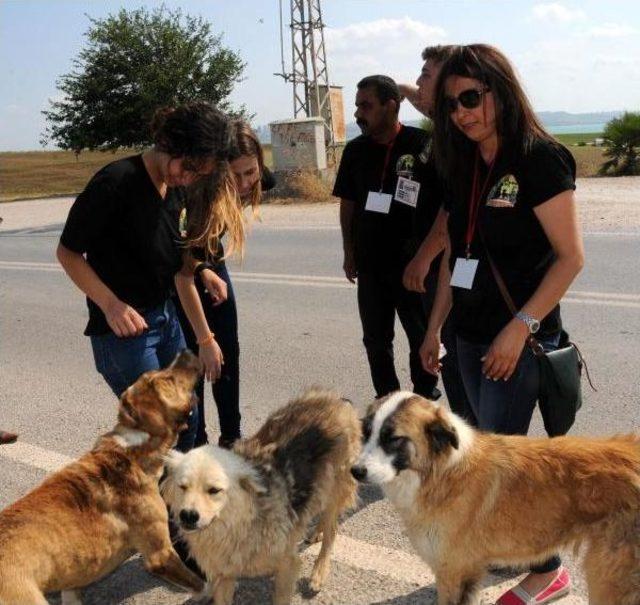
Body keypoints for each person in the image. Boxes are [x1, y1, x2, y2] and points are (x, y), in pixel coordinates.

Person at [420, 44, 584, 604]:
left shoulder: (541, 158)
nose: (462, 113)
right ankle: (505, 548)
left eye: (471, 98)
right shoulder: (463, 163)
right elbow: (454, 256)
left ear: (500, 91)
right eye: (451, 105)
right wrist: (433, 328)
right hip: (466, 336)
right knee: (475, 458)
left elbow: (570, 258)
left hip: (515, 340)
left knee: (503, 468)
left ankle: (547, 572)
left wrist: (521, 326)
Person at [57, 102, 234, 452]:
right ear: (171, 142)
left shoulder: (174, 186)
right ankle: (146, 500)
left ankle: (175, 503)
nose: (188, 177)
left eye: (198, 173)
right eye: (189, 167)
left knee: (186, 417)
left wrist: (201, 270)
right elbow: (68, 253)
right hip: (124, 336)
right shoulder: (116, 182)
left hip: (166, 319)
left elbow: (165, 249)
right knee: (157, 432)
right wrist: (110, 304)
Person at [333, 75, 441, 401]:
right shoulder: (355, 151)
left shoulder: (422, 145)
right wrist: (349, 251)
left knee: (419, 334)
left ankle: (422, 397)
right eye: (357, 106)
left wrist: (428, 255)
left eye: (366, 105)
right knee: (376, 339)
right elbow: (348, 204)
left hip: (413, 265)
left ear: (391, 106)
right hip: (370, 263)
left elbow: (443, 206)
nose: (358, 113)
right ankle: (387, 399)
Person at [175, 121, 275, 449]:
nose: (246, 184)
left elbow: (259, 180)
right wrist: (205, 338)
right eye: (237, 175)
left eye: (251, 173)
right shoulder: (197, 195)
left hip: (210, 264)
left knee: (227, 356)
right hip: (182, 274)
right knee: (197, 360)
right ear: (218, 171)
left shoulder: (256, 180)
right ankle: (198, 443)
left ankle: (232, 438)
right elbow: (180, 266)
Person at [398, 45, 477, 425]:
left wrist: (423, 257)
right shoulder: (450, 121)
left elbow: (451, 211)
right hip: (450, 265)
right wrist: (400, 88)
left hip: (453, 264)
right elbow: (423, 102)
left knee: (462, 366)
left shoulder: (461, 136)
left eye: (426, 74)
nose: (418, 81)